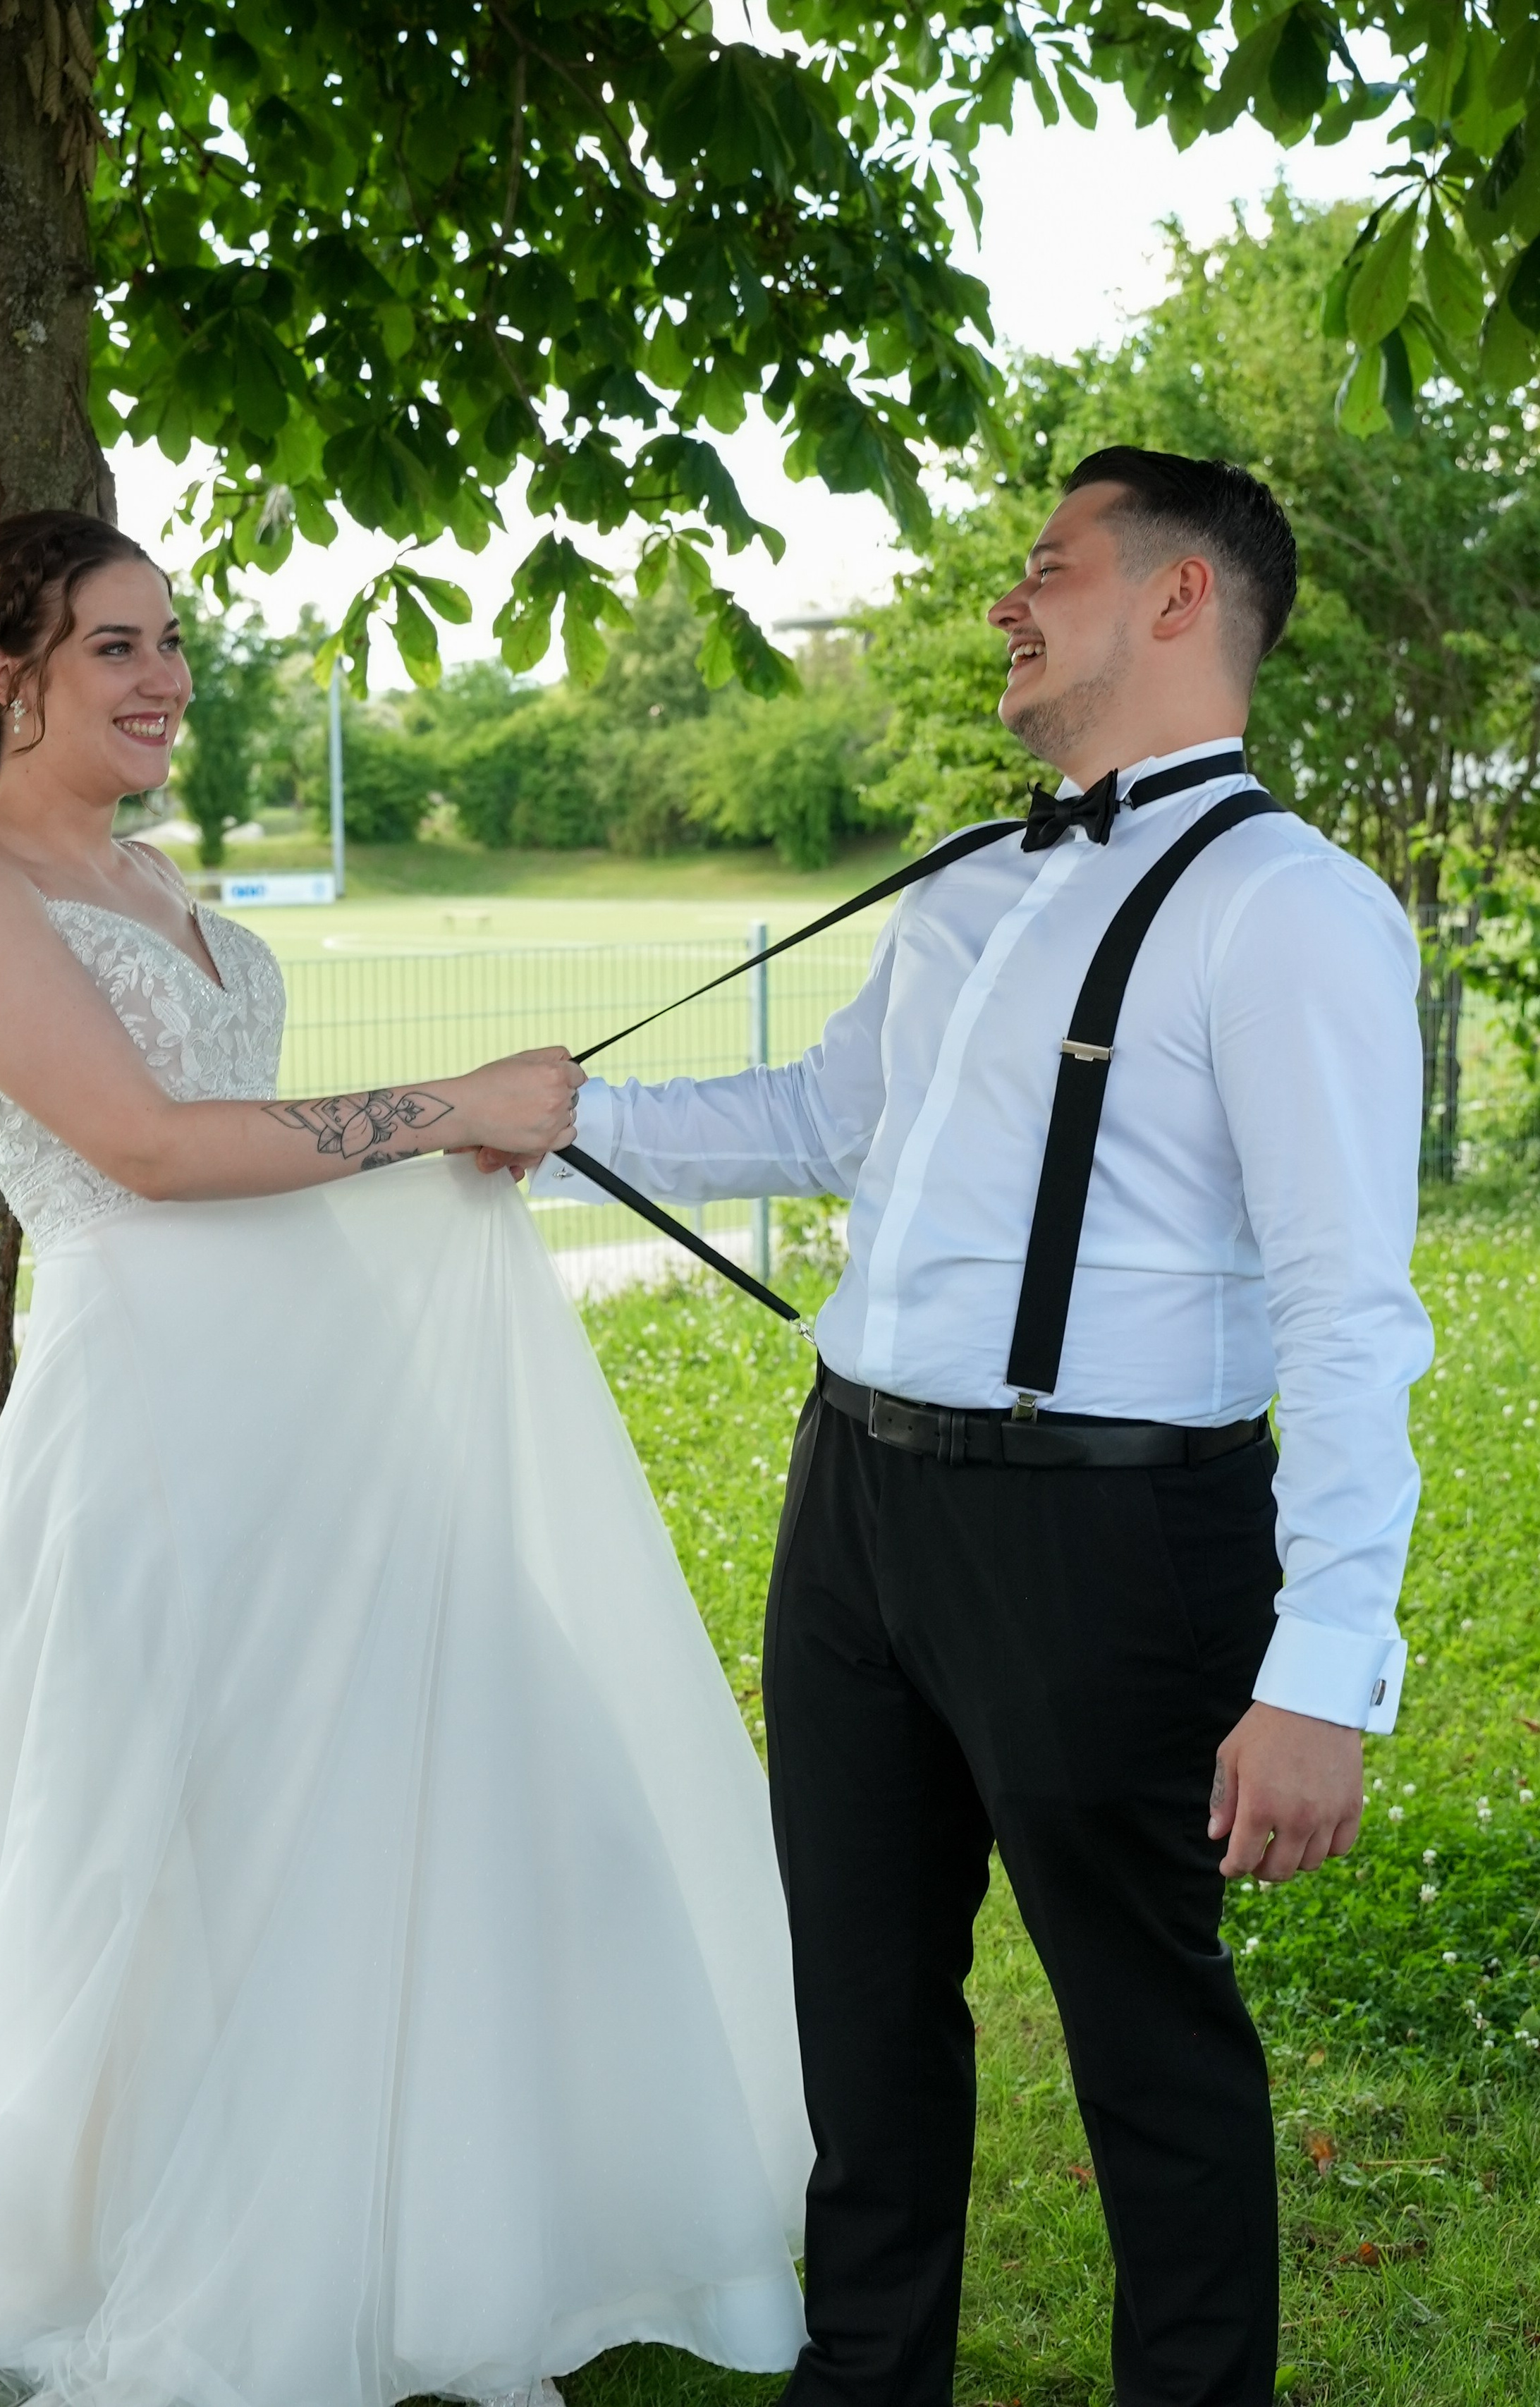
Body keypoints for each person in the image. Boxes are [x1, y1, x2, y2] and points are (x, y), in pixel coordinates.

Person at [0, 510, 812, 2407]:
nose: (166, 679)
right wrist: (445, 1105)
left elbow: (251, 1150)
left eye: (172, 643)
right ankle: (209, 2247)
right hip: (154, 1421)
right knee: (195, 1839)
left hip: (323, 1406)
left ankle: (450, 2227)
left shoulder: (164, 886)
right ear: (6, 673)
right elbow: (150, 1151)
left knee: (462, 1778)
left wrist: (449, 1156)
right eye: (117, 646)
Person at [530, 450, 1433, 2406]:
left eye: (1052, 566)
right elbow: (817, 1118)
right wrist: (550, 1120)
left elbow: (1354, 1311)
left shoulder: (1292, 912)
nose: (1009, 603)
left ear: (1180, 600)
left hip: (1113, 1541)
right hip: (855, 1505)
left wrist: (1325, 1669)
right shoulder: (967, 883)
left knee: (1147, 2044)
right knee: (861, 2007)